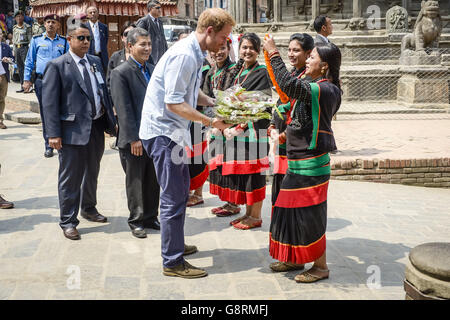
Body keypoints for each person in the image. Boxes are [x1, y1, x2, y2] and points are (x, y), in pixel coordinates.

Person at [139, 8, 234, 278]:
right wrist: (211, 122)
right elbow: (174, 102)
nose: (225, 43)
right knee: (172, 198)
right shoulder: (184, 56)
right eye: (224, 37)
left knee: (180, 193)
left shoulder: (193, 53)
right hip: (163, 134)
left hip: (172, 133)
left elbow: (192, 93)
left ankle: (175, 245)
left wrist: (215, 102)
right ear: (209, 31)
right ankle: (172, 261)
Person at [263, 35, 342, 283]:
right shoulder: (311, 86)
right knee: (288, 212)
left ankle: (320, 267)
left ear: (325, 65)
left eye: (312, 57)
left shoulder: (325, 89)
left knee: (310, 216)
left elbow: (287, 85)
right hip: (297, 163)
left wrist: (273, 53)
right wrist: (285, 135)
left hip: (312, 166)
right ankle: (294, 257)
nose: (307, 60)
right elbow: (301, 119)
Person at [42, 23, 117, 241]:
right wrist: (53, 134)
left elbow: (103, 91)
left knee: (92, 171)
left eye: (88, 39)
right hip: (71, 130)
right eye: (81, 38)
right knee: (71, 177)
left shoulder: (94, 62)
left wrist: (111, 120)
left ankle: (89, 208)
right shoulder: (57, 66)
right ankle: (68, 221)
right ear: (69, 39)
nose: (85, 42)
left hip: (95, 126)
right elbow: (49, 105)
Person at [209, 33, 271, 230]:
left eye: (252, 48)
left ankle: (256, 216)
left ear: (259, 50)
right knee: (244, 174)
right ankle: (247, 212)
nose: (247, 51)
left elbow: (261, 103)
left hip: (253, 131)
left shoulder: (261, 72)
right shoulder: (238, 71)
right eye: (244, 47)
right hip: (236, 131)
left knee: (254, 174)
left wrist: (239, 115)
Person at [110, 28, 161, 239]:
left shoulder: (151, 68)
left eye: (149, 44)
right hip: (135, 138)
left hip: (153, 135)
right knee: (136, 180)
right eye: (142, 44)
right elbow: (123, 110)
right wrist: (133, 138)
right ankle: (137, 219)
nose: (147, 48)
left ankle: (150, 216)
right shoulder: (121, 72)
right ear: (130, 46)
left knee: (152, 179)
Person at [266, 33, 314, 249]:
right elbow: (281, 101)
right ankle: (284, 250)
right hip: (283, 147)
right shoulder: (295, 73)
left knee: (291, 202)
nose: (292, 54)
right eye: (290, 50)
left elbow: (300, 117)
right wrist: (273, 123)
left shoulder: (309, 81)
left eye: (297, 50)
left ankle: (294, 251)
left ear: (308, 54)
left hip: (297, 149)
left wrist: (272, 53)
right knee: (279, 198)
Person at [23, 14, 69, 158]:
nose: (50, 25)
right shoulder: (36, 40)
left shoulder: (63, 41)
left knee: (62, 110)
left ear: (58, 25)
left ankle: (61, 143)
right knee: (46, 112)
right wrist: (26, 80)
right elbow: (29, 61)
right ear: (44, 24)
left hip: (60, 80)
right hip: (42, 81)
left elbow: (68, 61)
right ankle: (48, 145)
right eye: (48, 22)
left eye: (53, 22)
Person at [106, 21, 136, 92]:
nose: (130, 36)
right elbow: (109, 82)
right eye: (126, 34)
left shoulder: (144, 56)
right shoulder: (115, 57)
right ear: (122, 38)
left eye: (133, 33)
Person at [136, 1, 168, 65]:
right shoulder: (144, 21)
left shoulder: (160, 22)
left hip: (161, 58)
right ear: (151, 9)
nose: (160, 10)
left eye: (160, 8)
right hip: (149, 58)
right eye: (157, 8)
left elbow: (163, 38)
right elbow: (138, 39)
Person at [12, 10, 32, 93]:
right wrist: (13, 50)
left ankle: (29, 86)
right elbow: (14, 40)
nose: (19, 18)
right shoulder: (14, 28)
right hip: (17, 48)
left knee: (26, 67)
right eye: (17, 16)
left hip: (24, 48)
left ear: (23, 17)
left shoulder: (27, 27)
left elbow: (30, 39)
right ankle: (22, 86)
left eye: (20, 16)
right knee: (20, 68)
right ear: (15, 18)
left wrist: (30, 50)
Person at [86, 6, 109, 71]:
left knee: (103, 75)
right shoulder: (84, 27)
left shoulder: (104, 27)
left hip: (102, 56)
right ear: (87, 15)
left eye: (94, 12)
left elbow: (105, 40)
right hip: (89, 55)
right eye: (90, 12)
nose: (93, 14)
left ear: (98, 14)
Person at [0, 32, 14, 130]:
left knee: (1, 98)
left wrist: (8, 59)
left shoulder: (6, 47)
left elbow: (13, 59)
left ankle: (0, 121)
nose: (0, 35)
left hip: (3, 76)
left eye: (0, 34)